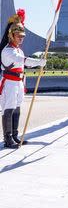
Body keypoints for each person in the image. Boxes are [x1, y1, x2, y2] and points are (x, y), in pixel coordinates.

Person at [0, 9, 46, 148]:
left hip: (18, 82)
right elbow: (24, 61)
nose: (21, 38)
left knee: (17, 107)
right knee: (9, 108)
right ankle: (7, 138)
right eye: (18, 36)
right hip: (9, 83)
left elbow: (23, 63)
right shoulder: (7, 51)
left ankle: (14, 135)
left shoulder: (19, 49)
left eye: (22, 36)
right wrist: (39, 62)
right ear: (11, 35)